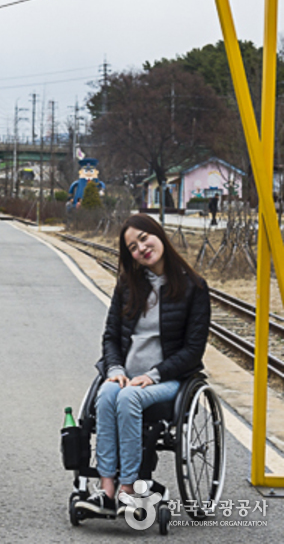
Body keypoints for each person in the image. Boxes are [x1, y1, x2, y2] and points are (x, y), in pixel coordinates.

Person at [75, 214, 211, 517]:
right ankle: (106, 490)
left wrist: (153, 376)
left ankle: (130, 487)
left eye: (144, 238)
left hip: (169, 381)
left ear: (157, 234)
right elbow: (110, 337)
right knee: (109, 393)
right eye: (133, 247)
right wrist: (115, 371)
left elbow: (193, 351)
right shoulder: (128, 284)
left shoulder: (194, 288)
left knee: (127, 397)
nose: (142, 248)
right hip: (126, 377)